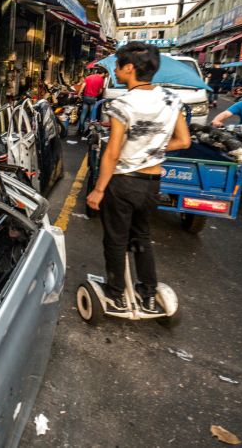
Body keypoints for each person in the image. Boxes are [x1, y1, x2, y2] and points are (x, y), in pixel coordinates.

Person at [86, 43, 191, 313]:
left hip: (124, 182)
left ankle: (115, 293)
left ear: (130, 68)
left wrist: (98, 190)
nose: (117, 71)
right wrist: (151, 146)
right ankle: (147, 293)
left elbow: (112, 153)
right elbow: (183, 141)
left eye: (119, 66)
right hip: (153, 184)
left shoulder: (123, 104)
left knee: (116, 239)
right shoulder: (172, 100)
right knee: (142, 237)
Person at [77, 68, 105, 133]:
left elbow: (83, 85)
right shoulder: (101, 79)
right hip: (93, 98)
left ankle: (81, 129)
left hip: (86, 97)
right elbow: (100, 91)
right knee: (91, 115)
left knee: (83, 113)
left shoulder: (88, 77)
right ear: (102, 73)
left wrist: (79, 94)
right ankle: (89, 130)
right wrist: (96, 94)